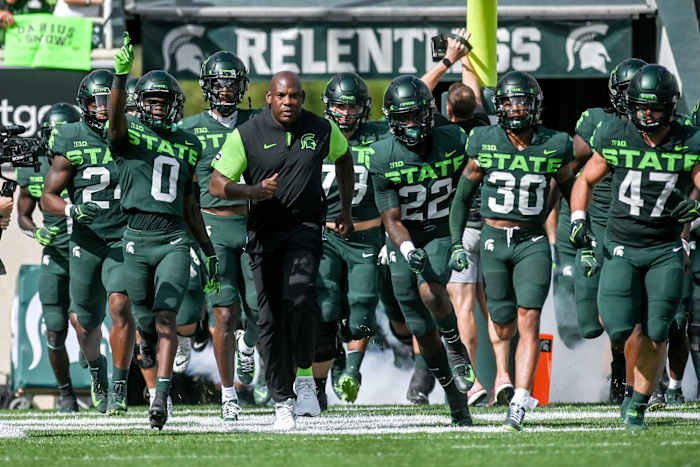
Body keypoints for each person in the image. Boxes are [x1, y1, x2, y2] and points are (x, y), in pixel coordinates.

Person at [209, 70, 355, 430]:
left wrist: (346, 210)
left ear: (302, 98)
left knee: (302, 296)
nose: (289, 102)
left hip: (305, 229)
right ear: (269, 98)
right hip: (264, 233)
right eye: (282, 96)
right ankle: (281, 401)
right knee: (269, 318)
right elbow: (216, 184)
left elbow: (344, 158)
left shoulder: (321, 129)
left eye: (295, 96)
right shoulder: (246, 135)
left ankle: (305, 380)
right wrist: (253, 191)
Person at [570, 64, 700, 430]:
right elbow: (585, 179)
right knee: (618, 326)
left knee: (658, 330)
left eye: (654, 107)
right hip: (622, 246)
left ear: (670, 106)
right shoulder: (615, 132)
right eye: (640, 106)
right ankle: (630, 384)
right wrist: (578, 218)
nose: (646, 114)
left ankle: (637, 404)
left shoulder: (687, 140)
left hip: (664, 249)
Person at [449, 70, 581, 431]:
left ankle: (521, 398)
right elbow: (461, 198)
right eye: (508, 101)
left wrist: (582, 234)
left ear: (535, 104)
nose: (516, 107)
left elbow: (571, 189)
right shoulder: (483, 139)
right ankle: (504, 378)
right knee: (502, 321)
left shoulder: (556, 143)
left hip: (532, 242)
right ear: (499, 106)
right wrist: (456, 243)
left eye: (522, 100)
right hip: (492, 240)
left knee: (529, 318)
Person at [107, 33, 220, 430]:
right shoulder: (130, 135)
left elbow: (190, 205)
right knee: (144, 326)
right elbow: (116, 123)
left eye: (162, 100)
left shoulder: (189, 144)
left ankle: (161, 396)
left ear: (173, 105)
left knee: (166, 319)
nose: (156, 106)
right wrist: (120, 78)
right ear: (141, 104)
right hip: (136, 238)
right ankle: (148, 366)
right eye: (150, 100)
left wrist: (207, 250)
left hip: (173, 237)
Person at [369, 75, 474, 426]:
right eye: (403, 118)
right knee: (419, 327)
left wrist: (465, 234)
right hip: (405, 237)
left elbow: (472, 185)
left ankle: (456, 345)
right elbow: (390, 217)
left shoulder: (454, 139)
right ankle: (453, 394)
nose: (411, 125)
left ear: (429, 114)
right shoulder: (384, 155)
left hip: (442, 230)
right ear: (392, 120)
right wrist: (408, 248)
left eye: (416, 116)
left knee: (430, 289)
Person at [550, 59, 647, 405]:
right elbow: (565, 172)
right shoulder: (597, 121)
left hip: (628, 227)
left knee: (626, 309)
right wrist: (557, 222)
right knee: (587, 324)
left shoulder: (657, 129)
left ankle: (624, 376)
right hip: (590, 225)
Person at [42, 69, 134, 416]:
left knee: (121, 305)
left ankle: (121, 383)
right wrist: (71, 208)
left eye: (108, 101)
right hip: (86, 239)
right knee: (84, 320)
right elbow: (48, 195)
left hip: (123, 236)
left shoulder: (131, 134)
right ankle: (98, 372)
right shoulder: (71, 137)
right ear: (84, 105)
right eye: (96, 102)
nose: (103, 108)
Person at [179, 50, 260, 421]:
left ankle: (250, 347)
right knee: (223, 313)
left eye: (232, 83)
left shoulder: (260, 122)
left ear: (242, 87)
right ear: (207, 87)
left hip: (255, 223)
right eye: (219, 83)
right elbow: (181, 186)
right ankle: (229, 394)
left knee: (262, 309)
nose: (226, 90)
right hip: (213, 226)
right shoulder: (189, 129)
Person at [421, 28, 499, 406]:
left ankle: (474, 382)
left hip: (464, 226)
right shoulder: (486, 127)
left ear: (448, 111)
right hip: (495, 225)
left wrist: (448, 58)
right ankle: (505, 378)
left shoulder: (446, 132)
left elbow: (420, 91)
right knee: (496, 307)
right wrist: (468, 55)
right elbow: (474, 92)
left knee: (463, 307)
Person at [311, 71, 388, 408]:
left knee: (361, 311)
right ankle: (319, 384)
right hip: (326, 235)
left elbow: (415, 103)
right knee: (325, 308)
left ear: (365, 109)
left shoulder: (382, 135)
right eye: (340, 107)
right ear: (329, 107)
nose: (346, 114)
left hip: (366, 236)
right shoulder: (314, 135)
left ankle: (352, 374)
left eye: (353, 107)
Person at [16, 103, 81, 412]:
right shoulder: (33, 166)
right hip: (55, 254)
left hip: (88, 251)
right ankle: (66, 393)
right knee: (54, 328)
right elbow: (23, 215)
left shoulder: (90, 158)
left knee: (87, 323)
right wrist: (36, 232)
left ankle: (101, 385)